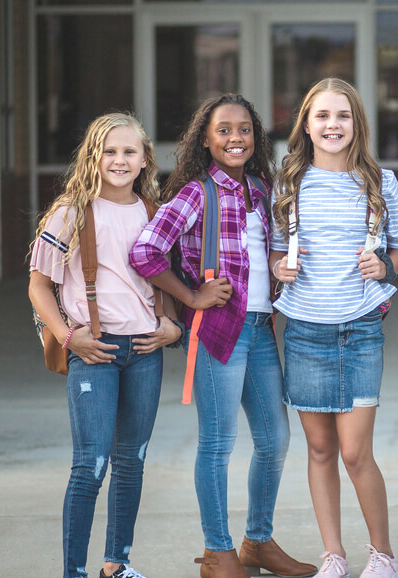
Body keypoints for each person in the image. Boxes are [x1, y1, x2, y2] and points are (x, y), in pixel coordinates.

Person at [129, 94, 316, 578]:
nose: (236, 138)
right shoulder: (195, 193)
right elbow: (146, 252)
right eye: (224, 131)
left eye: (244, 130)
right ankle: (218, 551)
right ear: (206, 140)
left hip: (259, 331)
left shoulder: (262, 189)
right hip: (218, 334)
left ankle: (257, 542)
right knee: (218, 444)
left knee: (274, 440)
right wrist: (190, 297)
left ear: (256, 137)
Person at [269, 78, 398, 578]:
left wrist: (386, 268)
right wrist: (278, 269)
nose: (333, 125)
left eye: (343, 116)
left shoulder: (380, 182)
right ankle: (334, 554)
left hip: (359, 329)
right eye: (323, 116)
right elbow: (273, 250)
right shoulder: (287, 183)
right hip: (306, 329)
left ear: (357, 124)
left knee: (355, 452)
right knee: (321, 449)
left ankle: (383, 554)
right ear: (306, 125)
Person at [29, 112, 183, 578]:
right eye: (109, 151)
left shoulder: (155, 212)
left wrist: (172, 325)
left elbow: (167, 281)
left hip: (145, 351)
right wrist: (69, 336)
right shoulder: (71, 212)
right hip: (94, 351)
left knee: (131, 462)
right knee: (90, 465)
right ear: (93, 158)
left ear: (144, 161)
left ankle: (117, 564)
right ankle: (73, 571)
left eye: (129, 152)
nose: (119, 159)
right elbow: (38, 286)